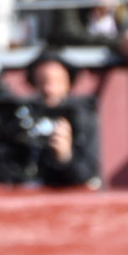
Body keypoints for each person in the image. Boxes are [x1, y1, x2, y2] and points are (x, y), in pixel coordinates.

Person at [25, 48, 99, 187]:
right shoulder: (24, 117)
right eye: (43, 81)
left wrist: (65, 156)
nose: (49, 89)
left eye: (57, 82)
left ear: (68, 83)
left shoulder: (82, 117)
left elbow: (88, 174)